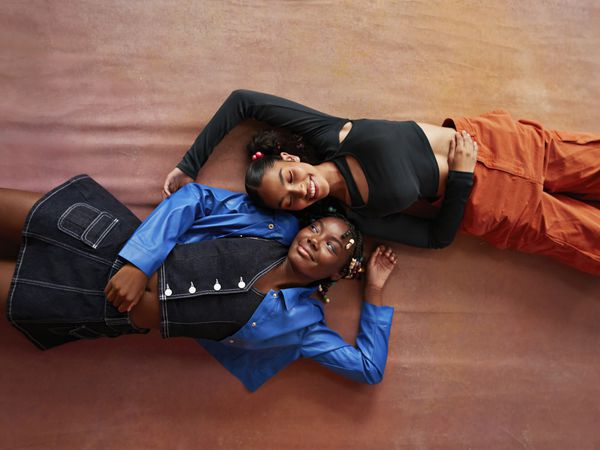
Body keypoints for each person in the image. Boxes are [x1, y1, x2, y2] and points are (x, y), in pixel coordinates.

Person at [1, 175, 397, 392]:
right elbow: (195, 198)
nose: (313, 238)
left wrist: (374, 291)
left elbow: (367, 369)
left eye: (331, 245)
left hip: (92, 303)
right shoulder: (271, 226)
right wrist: (138, 264)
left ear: (336, 273)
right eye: (315, 227)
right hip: (107, 237)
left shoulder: (302, 326)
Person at [163, 90, 600, 275]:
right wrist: (463, 177)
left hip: (514, 147)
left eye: (290, 178)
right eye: (291, 201)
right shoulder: (356, 215)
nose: (301, 190)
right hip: (507, 211)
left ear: (291, 158)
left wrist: (190, 164)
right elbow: (436, 237)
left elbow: (244, 101)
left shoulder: (330, 133)